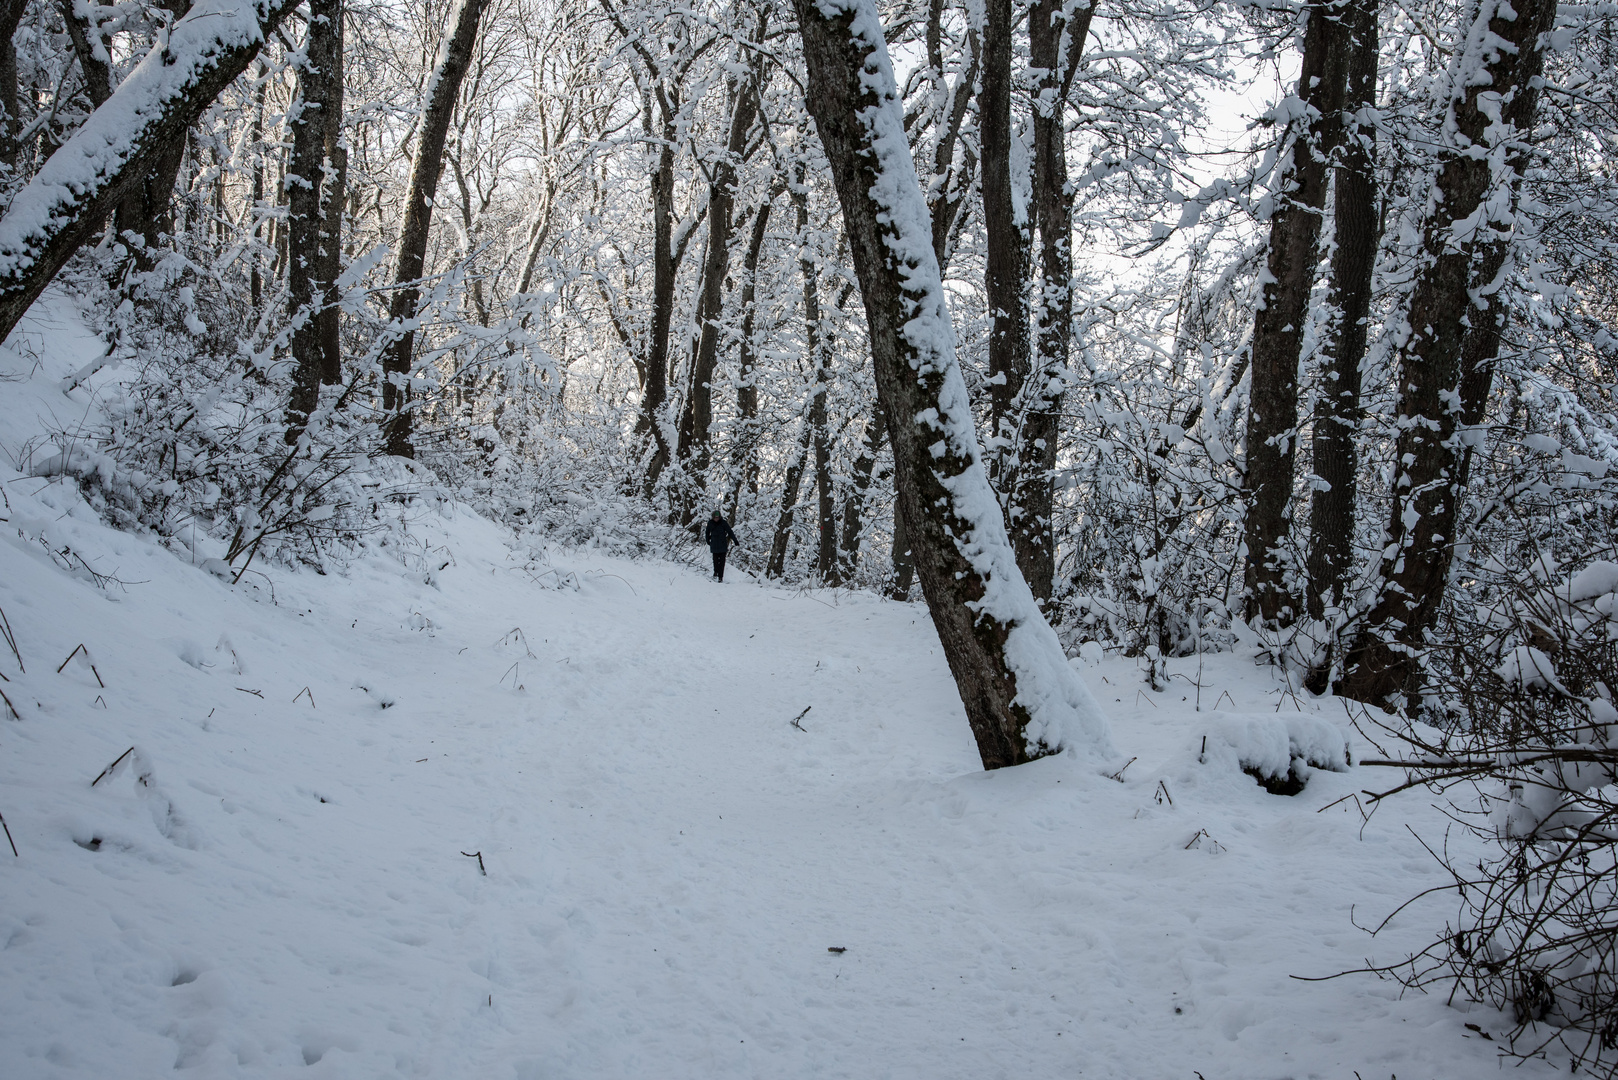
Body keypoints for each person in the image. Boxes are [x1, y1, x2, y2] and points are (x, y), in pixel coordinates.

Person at [704, 510, 737, 582]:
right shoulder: (710, 523)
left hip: (722, 544)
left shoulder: (723, 523)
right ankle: (716, 571)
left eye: (717, 517)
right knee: (715, 561)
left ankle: (720, 576)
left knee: (722, 562)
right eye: (715, 518)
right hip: (714, 544)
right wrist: (707, 540)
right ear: (713, 517)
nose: (716, 519)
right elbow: (707, 532)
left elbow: (729, 531)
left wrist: (735, 540)